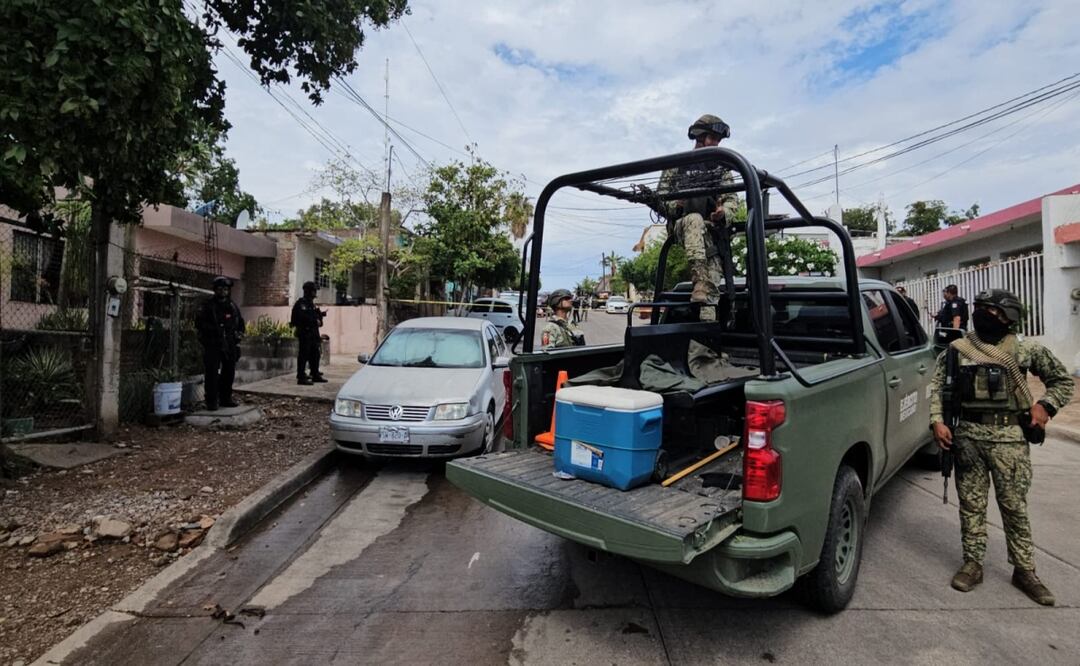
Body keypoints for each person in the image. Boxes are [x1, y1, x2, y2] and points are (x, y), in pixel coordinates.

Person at [929, 289, 1073, 606]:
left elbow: (1062, 380)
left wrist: (1045, 407)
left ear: (1008, 315)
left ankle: (1024, 570)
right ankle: (973, 564)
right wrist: (938, 421)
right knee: (971, 506)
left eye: (989, 310)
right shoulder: (957, 349)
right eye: (978, 308)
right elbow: (938, 387)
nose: (981, 313)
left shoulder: (1024, 349)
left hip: (1010, 439)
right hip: (967, 438)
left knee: (1014, 507)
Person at [651, 114, 740, 322]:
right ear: (700, 136)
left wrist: (723, 212)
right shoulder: (677, 166)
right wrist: (675, 205)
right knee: (693, 219)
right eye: (713, 138)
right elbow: (659, 199)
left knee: (710, 293)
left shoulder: (721, 169)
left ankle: (703, 348)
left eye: (719, 139)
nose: (716, 143)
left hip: (711, 234)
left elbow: (732, 199)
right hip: (683, 226)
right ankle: (699, 279)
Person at [194, 276, 245, 411]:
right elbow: (199, 324)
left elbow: (240, 323)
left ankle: (225, 398)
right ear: (215, 290)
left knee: (229, 372)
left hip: (229, 343)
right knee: (211, 372)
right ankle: (211, 401)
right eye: (220, 289)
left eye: (226, 289)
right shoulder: (208, 306)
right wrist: (213, 332)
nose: (223, 291)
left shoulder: (232, 306)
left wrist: (238, 336)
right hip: (213, 343)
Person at [291, 281, 327, 385]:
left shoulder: (312, 305)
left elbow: (316, 318)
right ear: (309, 291)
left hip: (313, 334)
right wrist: (314, 321)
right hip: (305, 334)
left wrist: (320, 316)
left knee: (315, 354)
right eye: (314, 290)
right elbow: (299, 319)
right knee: (304, 355)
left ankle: (315, 374)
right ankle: (301, 376)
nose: (315, 293)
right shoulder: (301, 304)